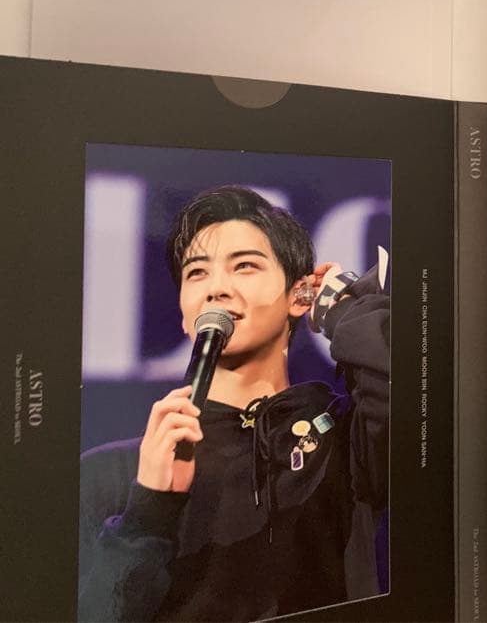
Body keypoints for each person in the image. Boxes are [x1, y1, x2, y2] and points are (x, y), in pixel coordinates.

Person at [78, 186, 390, 621]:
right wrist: (147, 512)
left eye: (244, 266)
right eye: (197, 273)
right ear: (184, 314)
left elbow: (413, 397)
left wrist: (344, 309)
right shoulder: (109, 474)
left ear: (298, 296)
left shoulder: (344, 439)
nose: (217, 288)